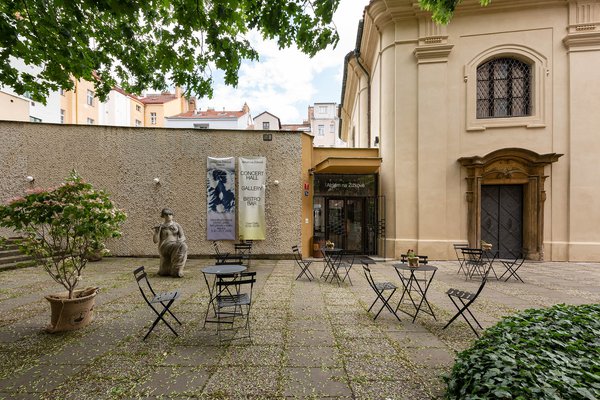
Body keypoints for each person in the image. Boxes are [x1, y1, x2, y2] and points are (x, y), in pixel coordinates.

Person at [152, 208, 187, 277]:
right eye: (166, 214)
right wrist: (156, 232)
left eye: (170, 214)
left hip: (175, 245)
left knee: (183, 245)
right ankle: (176, 269)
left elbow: (183, 237)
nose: (168, 216)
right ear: (163, 216)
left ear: (172, 215)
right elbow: (155, 241)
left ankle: (177, 269)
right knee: (182, 246)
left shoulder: (177, 225)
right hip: (164, 246)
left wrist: (180, 240)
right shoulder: (161, 226)